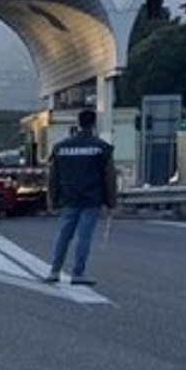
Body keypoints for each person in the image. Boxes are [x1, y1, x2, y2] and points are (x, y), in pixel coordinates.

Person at [44, 109, 117, 285]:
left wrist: (52, 198)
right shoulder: (101, 148)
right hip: (92, 198)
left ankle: (54, 271)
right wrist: (111, 202)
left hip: (69, 198)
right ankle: (78, 273)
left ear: (78, 123)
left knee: (64, 235)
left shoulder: (61, 148)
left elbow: (53, 176)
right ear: (93, 124)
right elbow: (110, 177)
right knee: (84, 236)